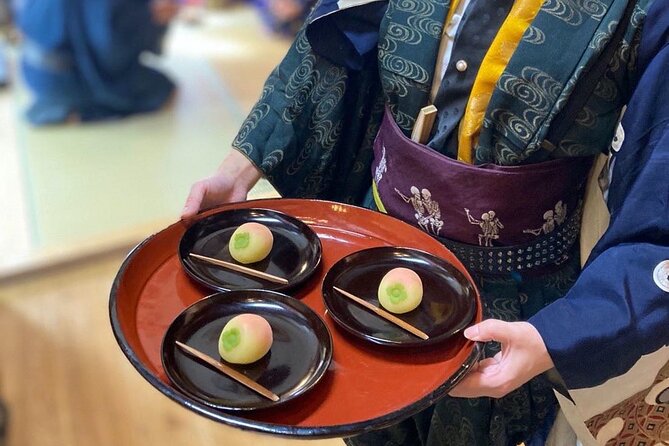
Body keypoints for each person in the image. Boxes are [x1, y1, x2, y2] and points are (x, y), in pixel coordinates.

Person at [182, 0, 669, 444]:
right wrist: (238, 169)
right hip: (366, 264)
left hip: (509, 301)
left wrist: (558, 336)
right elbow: (329, 44)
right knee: (369, 418)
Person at [14, 0, 179, 125]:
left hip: (30, 68)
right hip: (66, 77)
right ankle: (78, 111)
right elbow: (111, 56)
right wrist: (151, 18)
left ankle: (60, 104)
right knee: (163, 89)